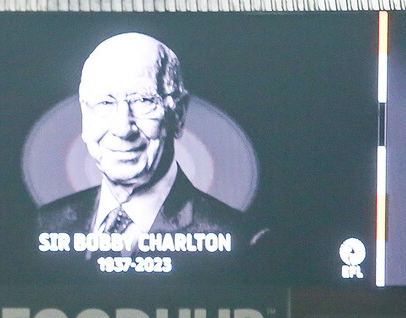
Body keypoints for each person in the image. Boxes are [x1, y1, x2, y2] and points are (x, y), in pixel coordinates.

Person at [37, 32, 265, 258]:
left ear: (178, 114)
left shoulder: (244, 239)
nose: (122, 129)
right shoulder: (45, 223)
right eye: (105, 102)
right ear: (85, 115)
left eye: (142, 101)